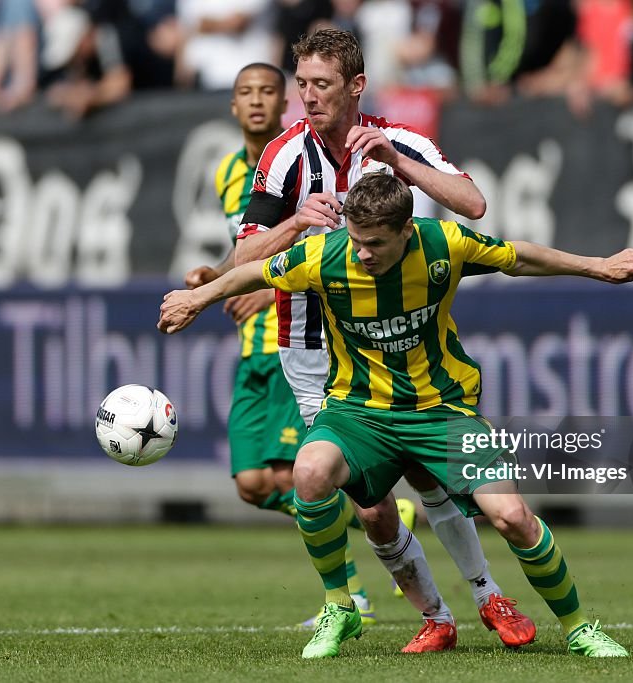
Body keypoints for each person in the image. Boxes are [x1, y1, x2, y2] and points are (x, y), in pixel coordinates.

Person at [159, 173, 633, 658]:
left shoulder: (445, 244)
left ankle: (580, 628)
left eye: (375, 243)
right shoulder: (323, 255)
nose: (362, 253)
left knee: (513, 517)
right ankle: (341, 607)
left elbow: (519, 258)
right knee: (310, 471)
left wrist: (599, 266)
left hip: (441, 408)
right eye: (355, 239)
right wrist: (197, 298)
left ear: (407, 229)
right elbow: (254, 271)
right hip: (360, 412)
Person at [234, 28, 533, 653]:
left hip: (398, 338)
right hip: (313, 349)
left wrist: (401, 165)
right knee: (367, 504)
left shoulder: (399, 142)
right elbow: (244, 254)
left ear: (356, 85)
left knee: (432, 478)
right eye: (303, 84)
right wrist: (294, 222)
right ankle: (434, 617)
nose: (308, 97)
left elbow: (474, 204)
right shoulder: (283, 157)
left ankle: (488, 598)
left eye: (322, 84)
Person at [183, 62, 376, 626]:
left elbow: (323, 250)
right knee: (251, 483)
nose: (258, 102)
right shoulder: (226, 173)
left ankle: (350, 592)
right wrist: (213, 278)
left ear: (284, 101)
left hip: (296, 338)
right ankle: (377, 512)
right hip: (251, 345)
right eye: (246, 92)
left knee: (305, 474)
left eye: (269, 91)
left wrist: (269, 295)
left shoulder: (300, 163)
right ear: (233, 106)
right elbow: (251, 252)